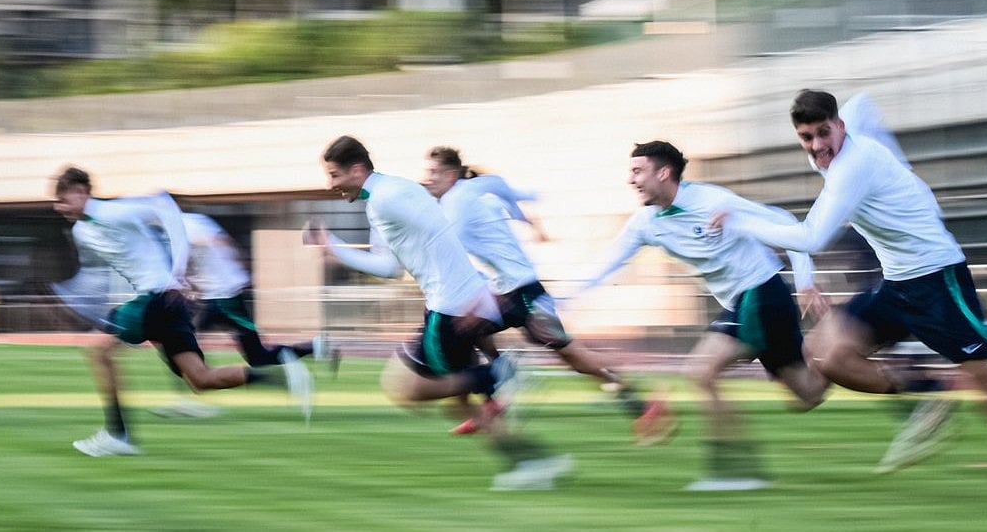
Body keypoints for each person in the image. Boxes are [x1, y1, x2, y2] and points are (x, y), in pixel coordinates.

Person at [712, 90, 987, 512]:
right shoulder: (840, 141)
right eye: (806, 138)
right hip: (897, 284)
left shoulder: (854, 166)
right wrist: (903, 172)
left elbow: (812, 237)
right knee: (827, 352)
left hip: (939, 282)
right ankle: (925, 397)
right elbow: (863, 102)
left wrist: (741, 222)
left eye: (823, 133)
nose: (817, 146)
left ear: (840, 128)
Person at [303, 135, 573, 490]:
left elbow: (438, 233)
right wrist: (333, 246)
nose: (331, 184)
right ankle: (534, 463)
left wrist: (474, 298)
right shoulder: (388, 194)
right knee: (457, 401)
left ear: (356, 169)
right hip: (454, 301)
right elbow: (390, 268)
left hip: (449, 307)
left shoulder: (387, 200)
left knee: (407, 389)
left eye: (335, 175)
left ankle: (498, 374)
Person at [578, 140, 829, 491]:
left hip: (763, 292)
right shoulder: (646, 223)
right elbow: (609, 262)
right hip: (746, 303)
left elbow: (784, 222)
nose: (630, 180)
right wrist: (562, 296)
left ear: (663, 173)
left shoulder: (712, 201)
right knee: (809, 395)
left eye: (638, 171)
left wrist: (805, 281)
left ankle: (735, 471)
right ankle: (834, 351)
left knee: (700, 371)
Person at [421, 146, 676, 442]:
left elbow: (450, 247)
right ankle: (497, 389)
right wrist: (524, 213)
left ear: (451, 175)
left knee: (572, 356)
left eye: (434, 173)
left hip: (521, 292)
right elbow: (500, 186)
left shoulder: (457, 201)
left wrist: (526, 212)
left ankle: (643, 403)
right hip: (510, 288)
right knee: (466, 327)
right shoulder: (472, 189)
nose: (428, 179)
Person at [51, 167, 312, 457]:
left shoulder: (114, 212)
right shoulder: (81, 232)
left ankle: (118, 435)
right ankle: (282, 378)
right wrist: (69, 292)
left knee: (99, 351)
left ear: (81, 191)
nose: (58, 206)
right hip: (165, 305)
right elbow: (92, 270)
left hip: (158, 297)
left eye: (63, 199)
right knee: (201, 380)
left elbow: (164, 204)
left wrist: (178, 271)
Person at [153, 211, 341, 418]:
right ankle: (316, 346)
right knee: (185, 344)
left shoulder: (186, 226)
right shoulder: (193, 221)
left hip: (223, 297)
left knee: (179, 343)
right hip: (219, 295)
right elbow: (221, 243)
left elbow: (214, 242)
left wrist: (189, 274)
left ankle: (190, 399)